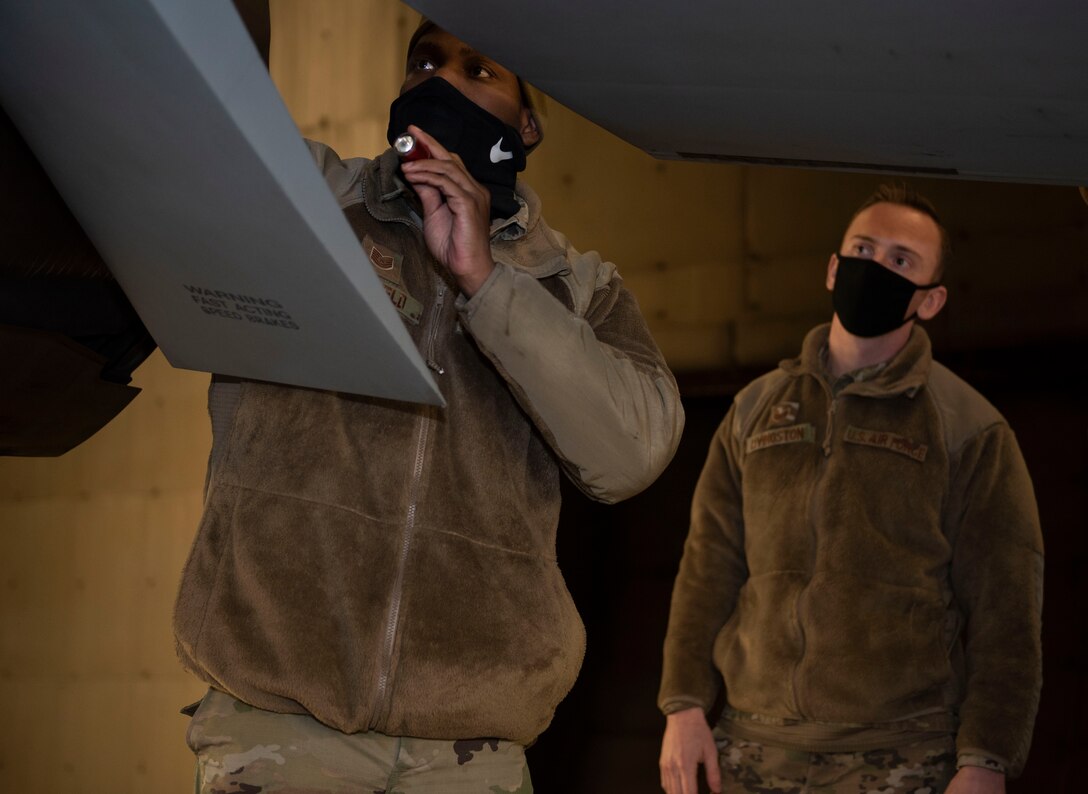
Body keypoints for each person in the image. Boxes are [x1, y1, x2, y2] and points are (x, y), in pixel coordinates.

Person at [176, 19, 684, 793]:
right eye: (425, 61)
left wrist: (489, 284)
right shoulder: (314, 201)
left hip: (469, 751)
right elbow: (184, 136)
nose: (441, 80)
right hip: (279, 726)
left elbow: (633, 454)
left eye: (479, 68)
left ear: (528, 125)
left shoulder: (578, 288)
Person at [657, 185, 1043, 794]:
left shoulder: (970, 429)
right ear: (834, 267)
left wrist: (985, 760)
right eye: (863, 249)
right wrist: (683, 707)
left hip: (902, 756)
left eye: (901, 261)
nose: (875, 267)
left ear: (932, 299)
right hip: (752, 746)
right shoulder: (755, 410)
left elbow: (1007, 613)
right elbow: (708, 568)